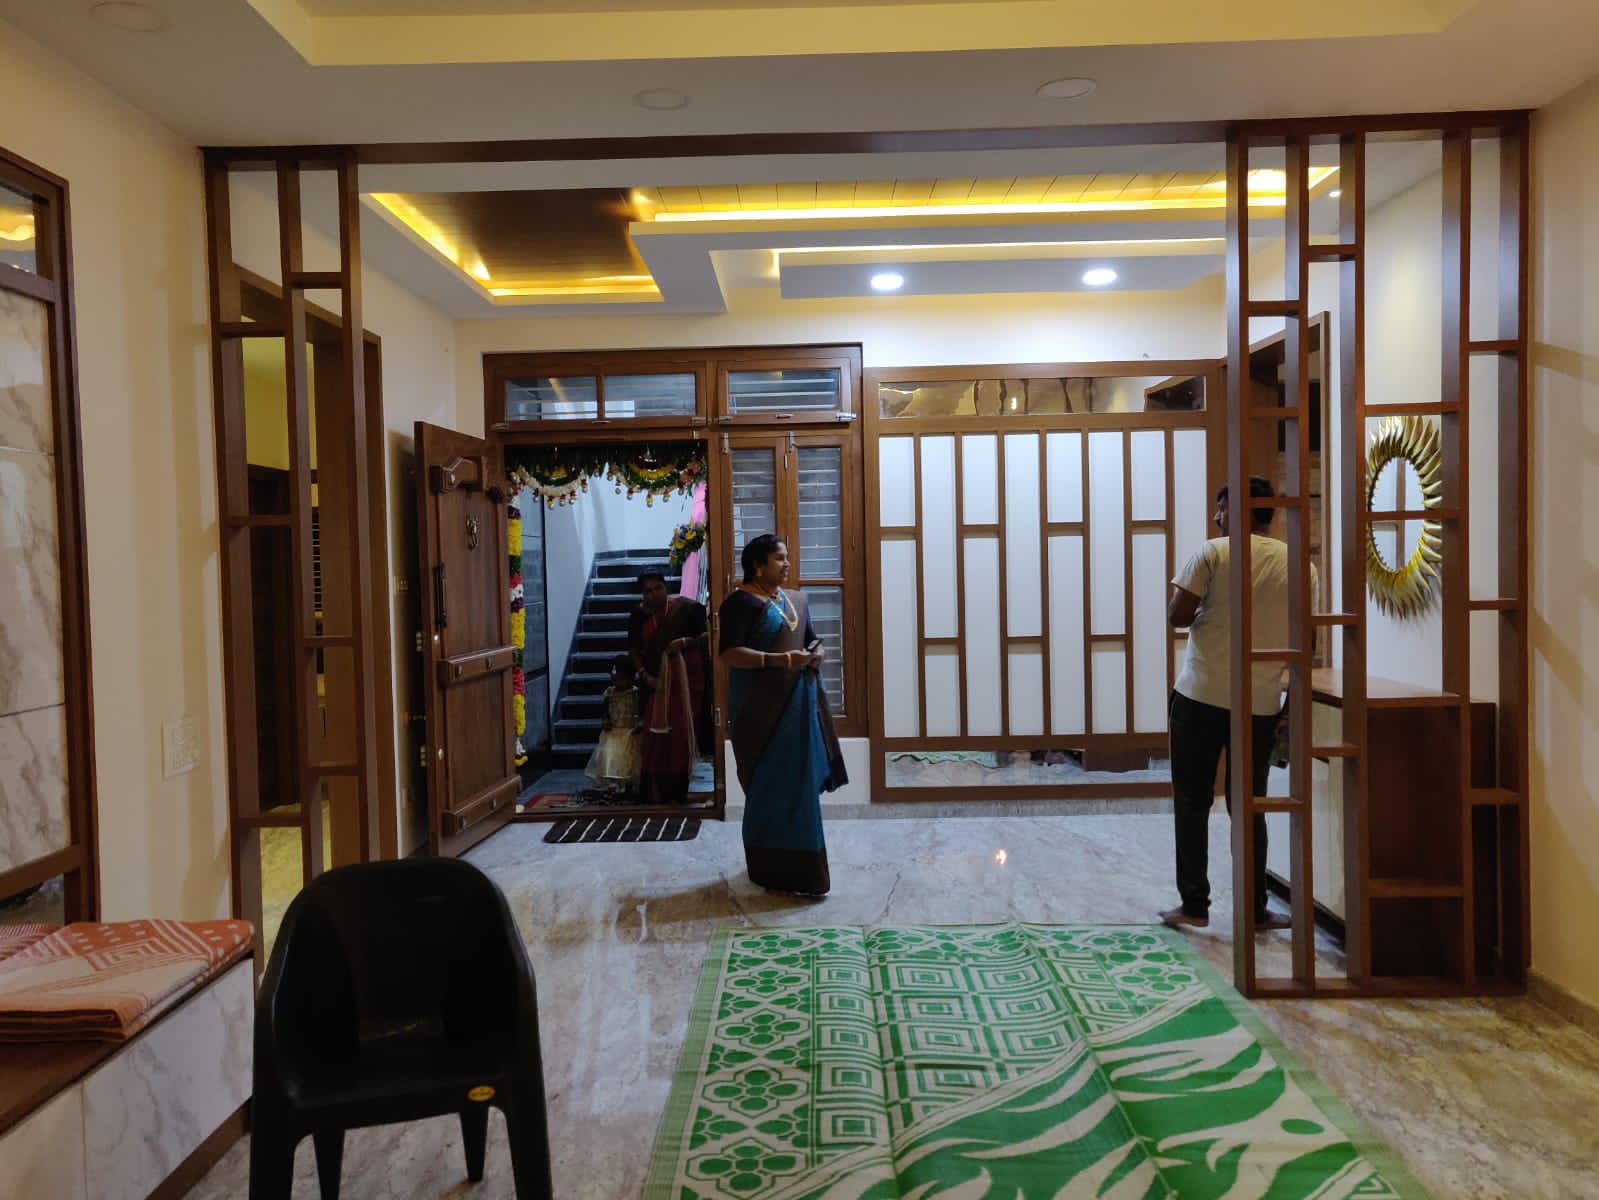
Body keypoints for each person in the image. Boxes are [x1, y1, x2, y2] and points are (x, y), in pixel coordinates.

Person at [1161, 476, 1316, 932]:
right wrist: (1290, 703)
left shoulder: (1214, 553)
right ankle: (1255, 908)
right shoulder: (1300, 566)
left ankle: (1194, 903)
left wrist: (1208, 610)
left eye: (1222, 507)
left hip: (1200, 695)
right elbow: (1304, 642)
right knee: (1249, 804)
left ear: (1240, 509)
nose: (1216, 517)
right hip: (1260, 703)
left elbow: (1176, 616)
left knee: (1192, 800)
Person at [718, 534, 847, 895]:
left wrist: (816, 654)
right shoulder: (739, 604)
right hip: (759, 711)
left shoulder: (792, 601)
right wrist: (780, 660)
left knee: (798, 784)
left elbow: (812, 640)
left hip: (796, 708)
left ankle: (806, 873)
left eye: (786, 557)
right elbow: (729, 653)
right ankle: (767, 868)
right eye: (779, 558)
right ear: (758, 565)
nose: (787, 564)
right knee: (767, 786)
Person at [627, 571, 709, 805]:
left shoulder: (687, 609)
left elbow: (708, 636)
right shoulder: (638, 617)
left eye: (658, 588)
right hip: (655, 682)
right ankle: (654, 794)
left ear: (666, 588)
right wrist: (645, 675)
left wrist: (685, 642)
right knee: (655, 737)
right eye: (648, 591)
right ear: (642, 595)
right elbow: (633, 649)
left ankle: (678, 792)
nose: (654, 594)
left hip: (686, 681)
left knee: (681, 735)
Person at [584, 656, 641, 795]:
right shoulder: (610, 693)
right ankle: (613, 783)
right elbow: (604, 710)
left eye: (621, 679)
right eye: (615, 679)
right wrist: (605, 720)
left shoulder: (635, 693)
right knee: (610, 756)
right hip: (613, 731)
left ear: (630, 678)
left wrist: (639, 722)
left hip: (629, 731)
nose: (617, 683)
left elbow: (639, 710)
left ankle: (628, 785)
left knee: (628, 760)